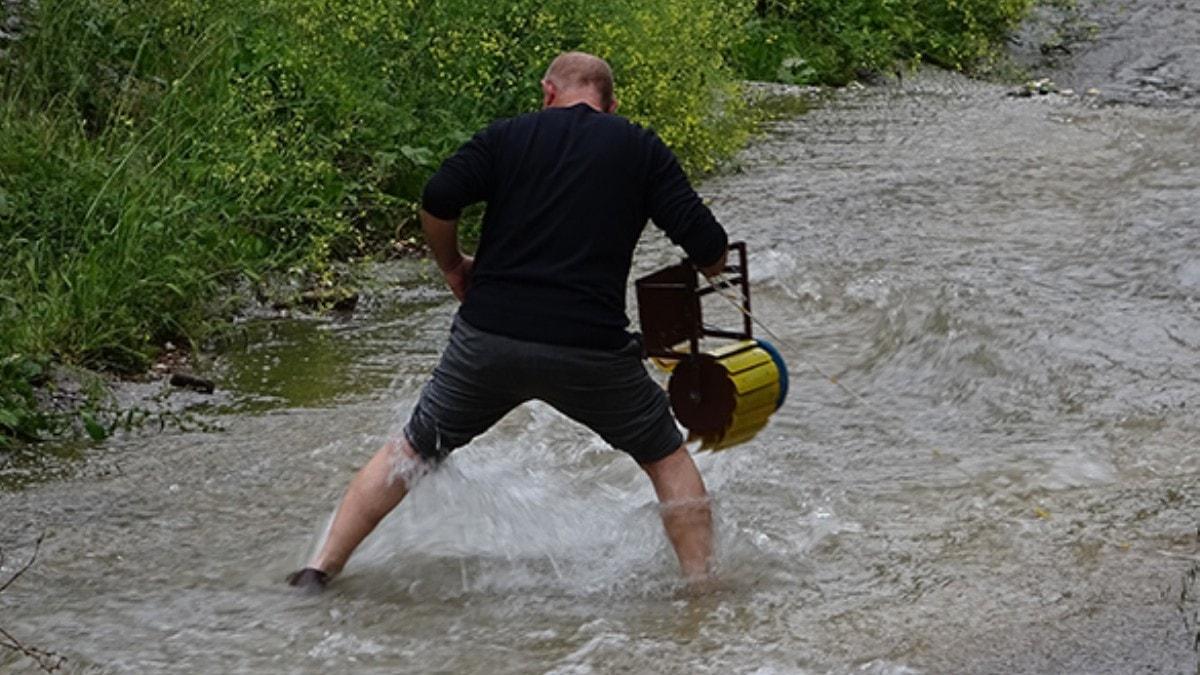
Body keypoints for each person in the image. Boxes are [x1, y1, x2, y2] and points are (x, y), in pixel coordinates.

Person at [288, 51, 729, 591]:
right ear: (611, 105)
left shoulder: (507, 136)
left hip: (489, 339)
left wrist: (452, 265)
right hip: (590, 348)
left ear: (547, 93)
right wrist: (712, 268)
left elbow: (437, 198)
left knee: (410, 449)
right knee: (665, 456)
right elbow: (709, 246)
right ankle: (703, 594)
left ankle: (318, 571)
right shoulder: (638, 147)